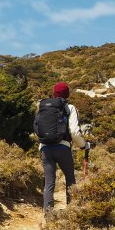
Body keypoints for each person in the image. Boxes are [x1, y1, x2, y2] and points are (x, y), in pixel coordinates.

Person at [35, 82, 89, 212]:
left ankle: (48, 215)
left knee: (49, 182)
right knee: (70, 178)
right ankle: (71, 210)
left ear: (54, 93)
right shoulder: (70, 108)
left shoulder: (42, 106)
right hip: (63, 147)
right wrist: (83, 145)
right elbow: (75, 132)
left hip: (45, 148)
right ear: (67, 94)